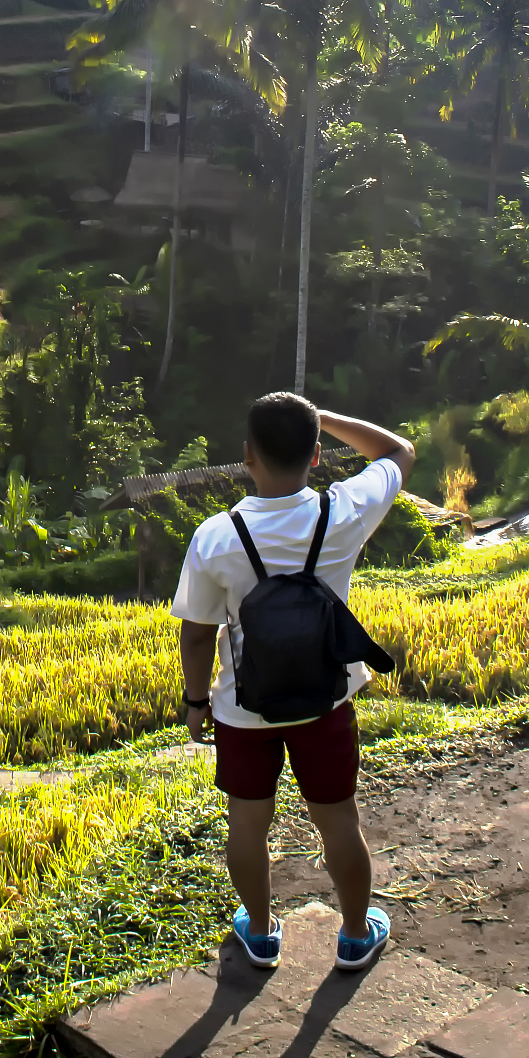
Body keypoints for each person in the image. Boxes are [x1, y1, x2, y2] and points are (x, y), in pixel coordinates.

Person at [171, 393, 414, 972]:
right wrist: (320, 418)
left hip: (243, 712)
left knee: (247, 824)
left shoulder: (216, 536)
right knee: (338, 821)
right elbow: (398, 450)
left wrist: (197, 702)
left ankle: (259, 931)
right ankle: (355, 934)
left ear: (247, 454)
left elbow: (198, 635)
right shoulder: (344, 511)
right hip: (324, 704)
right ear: (315, 454)